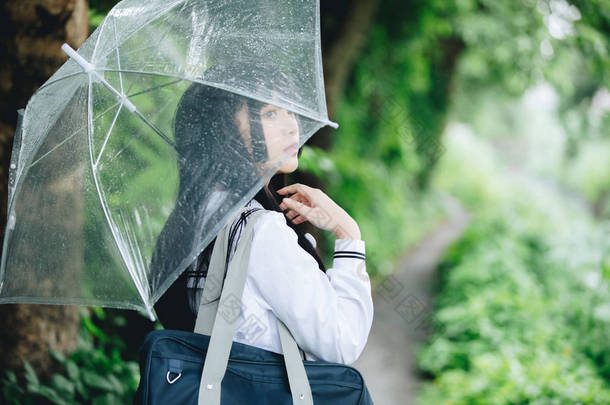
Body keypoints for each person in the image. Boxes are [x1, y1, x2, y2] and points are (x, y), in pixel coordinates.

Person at [152, 63, 373, 365]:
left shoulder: (196, 218)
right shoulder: (260, 231)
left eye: (291, 110)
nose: (292, 127)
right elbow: (342, 342)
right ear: (223, 128)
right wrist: (348, 235)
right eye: (270, 113)